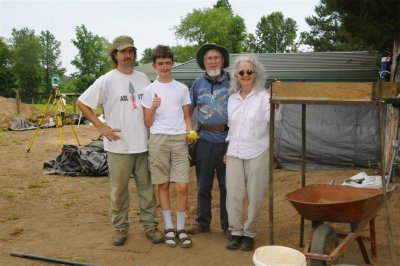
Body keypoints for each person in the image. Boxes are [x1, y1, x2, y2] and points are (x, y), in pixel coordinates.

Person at [76, 35, 163, 246]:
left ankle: (150, 226)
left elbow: (151, 107)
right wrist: (101, 126)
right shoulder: (107, 79)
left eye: (131, 51)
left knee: (147, 190)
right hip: (119, 145)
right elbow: (82, 103)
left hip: (142, 144)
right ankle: (120, 228)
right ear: (115, 55)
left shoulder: (143, 78)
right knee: (119, 190)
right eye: (123, 52)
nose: (128, 55)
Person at [224, 55, 282, 251]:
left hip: (258, 150)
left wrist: (276, 100)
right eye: (242, 72)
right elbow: (232, 127)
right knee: (233, 194)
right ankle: (236, 231)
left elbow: (274, 119)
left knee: (255, 194)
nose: (246, 75)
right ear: (236, 75)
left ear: (256, 74)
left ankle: (249, 234)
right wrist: (227, 148)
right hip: (234, 151)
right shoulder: (232, 99)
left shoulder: (264, 97)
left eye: (249, 71)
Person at [142, 45, 194, 248]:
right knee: (162, 185)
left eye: (168, 63)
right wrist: (154, 106)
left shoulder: (182, 88)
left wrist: (190, 131)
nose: (164, 67)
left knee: (182, 185)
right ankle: (169, 227)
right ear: (154, 65)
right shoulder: (149, 90)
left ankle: (182, 228)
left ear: (173, 64)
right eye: (160, 63)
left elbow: (187, 115)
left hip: (180, 139)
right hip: (158, 140)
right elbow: (147, 122)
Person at [189, 43, 230, 237]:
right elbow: (187, 109)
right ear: (204, 63)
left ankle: (228, 225)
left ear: (222, 61)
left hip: (227, 141)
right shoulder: (197, 84)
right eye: (209, 58)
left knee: (227, 186)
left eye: (216, 57)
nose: (213, 61)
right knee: (203, 185)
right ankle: (202, 222)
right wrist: (188, 130)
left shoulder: (234, 81)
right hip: (204, 140)